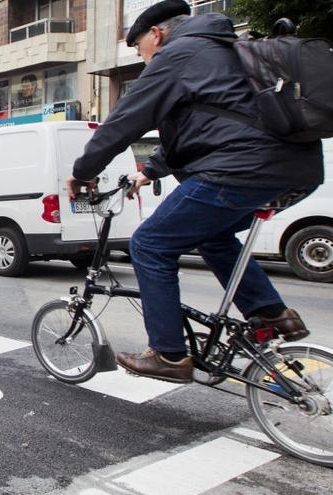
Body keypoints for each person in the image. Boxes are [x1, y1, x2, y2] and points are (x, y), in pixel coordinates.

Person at [66, 0, 323, 383]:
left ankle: (168, 354)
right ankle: (272, 312)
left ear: (157, 33)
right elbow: (211, 125)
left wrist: (82, 173)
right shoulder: (229, 51)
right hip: (298, 170)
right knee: (214, 236)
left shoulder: (179, 54)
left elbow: (123, 121)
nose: (142, 57)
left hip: (239, 170)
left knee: (150, 244)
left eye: (139, 48)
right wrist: (148, 172)